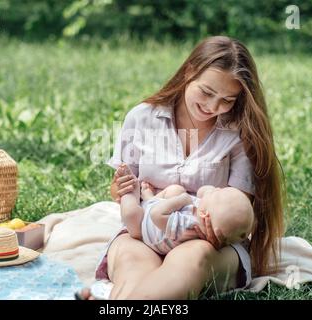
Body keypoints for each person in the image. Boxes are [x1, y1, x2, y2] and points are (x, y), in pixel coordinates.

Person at [78, 35, 285, 300]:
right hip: (144, 230)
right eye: (207, 92)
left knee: (188, 262)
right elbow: (121, 190)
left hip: (207, 243)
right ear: (189, 71)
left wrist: (215, 227)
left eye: (227, 100)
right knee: (133, 262)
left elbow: (238, 208)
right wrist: (121, 189)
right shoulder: (142, 118)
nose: (213, 107)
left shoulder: (240, 134)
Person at [116, 163, 254, 255]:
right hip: (162, 210)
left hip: (144, 227)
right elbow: (202, 191)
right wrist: (210, 192)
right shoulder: (206, 211)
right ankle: (149, 198)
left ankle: (132, 191)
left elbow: (155, 214)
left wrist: (182, 199)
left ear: (205, 215)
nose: (217, 188)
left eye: (217, 192)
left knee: (131, 214)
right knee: (176, 190)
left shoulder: (187, 226)